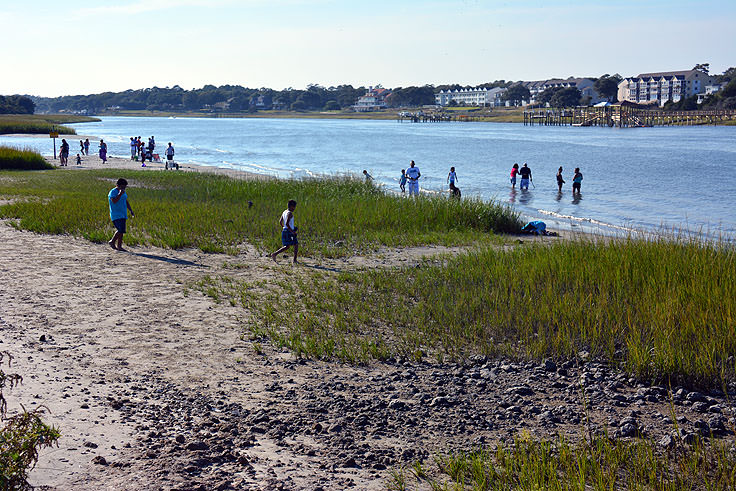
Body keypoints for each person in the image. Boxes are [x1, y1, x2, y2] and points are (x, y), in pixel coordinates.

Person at [268, 199, 298, 264]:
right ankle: (295, 260)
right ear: (291, 206)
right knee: (296, 244)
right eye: (294, 207)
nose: (294, 208)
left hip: (285, 230)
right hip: (289, 232)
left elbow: (280, 222)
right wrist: (292, 231)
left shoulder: (284, 212)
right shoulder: (289, 213)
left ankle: (274, 254)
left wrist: (284, 228)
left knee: (287, 246)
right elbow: (287, 223)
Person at [108, 178, 135, 251]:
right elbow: (114, 201)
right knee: (120, 229)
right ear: (117, 185)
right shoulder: (113, 192)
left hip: (123, 213)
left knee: (122, 231)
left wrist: (130, 210)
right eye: (122, 187)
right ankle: (112, 241)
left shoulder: (123, 192)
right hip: (116, 214)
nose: (124, 188)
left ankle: (119, 246)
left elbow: (125, 201)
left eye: (125, 187)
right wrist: (119, 194)